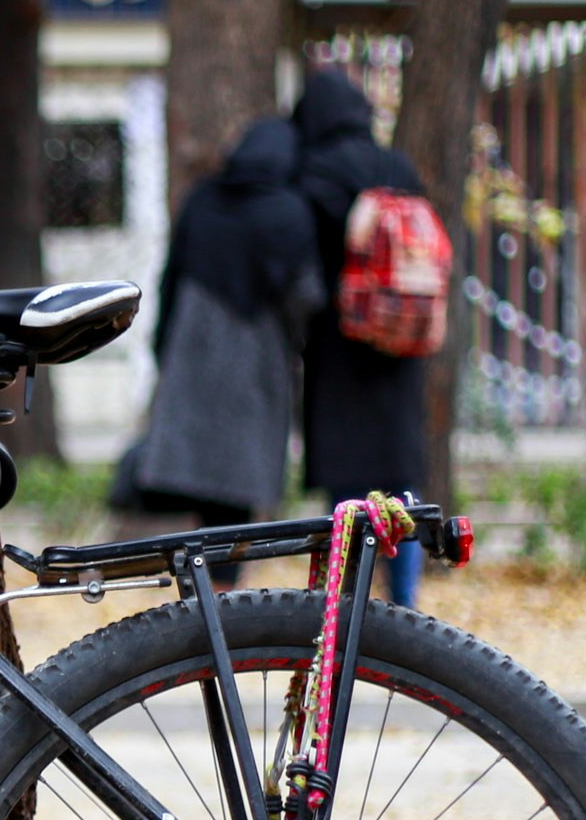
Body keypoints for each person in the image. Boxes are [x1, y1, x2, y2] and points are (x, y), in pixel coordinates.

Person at [109, 117, 319, 533]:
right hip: (256, 362)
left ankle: (197, 582)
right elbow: (305, 297)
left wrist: (162, 348)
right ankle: (224, 586)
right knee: (236, 487)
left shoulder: (203, 199)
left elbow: (171, 276)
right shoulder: (289, 211)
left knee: (192, 478)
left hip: (193, 353)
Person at [292, 67, 428, 605]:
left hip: (337, 343)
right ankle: (407, 597)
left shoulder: (312, 171)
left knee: (345, 485)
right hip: (400, 346)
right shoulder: (398, 166)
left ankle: (347, 601)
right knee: (400, 480)